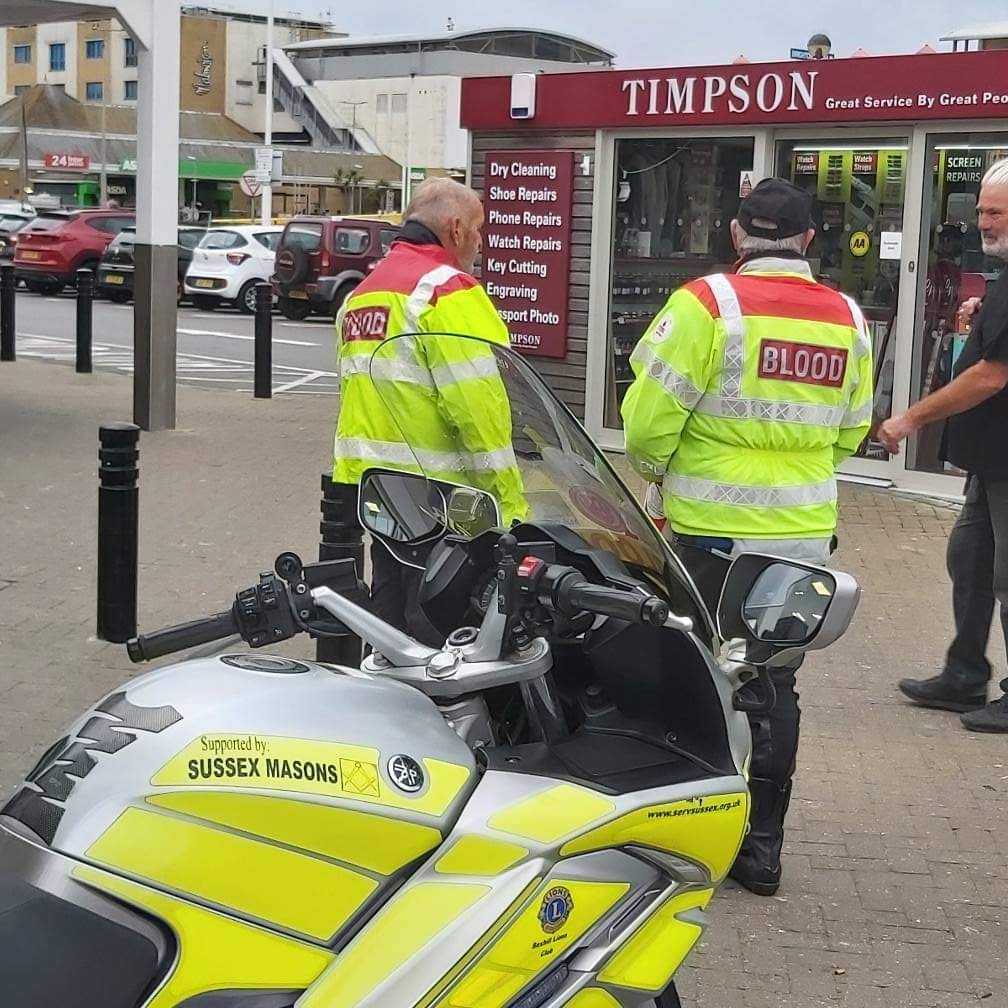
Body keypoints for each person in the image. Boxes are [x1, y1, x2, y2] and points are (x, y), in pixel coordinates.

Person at [621, 177, 874, 896]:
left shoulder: (707, 304)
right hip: (800, 537)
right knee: (773, 686)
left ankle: (684, 835)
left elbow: (646, 425)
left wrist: (658, 472)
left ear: (737, 234)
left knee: (690, 676)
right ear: (809, 242)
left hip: (706, 536)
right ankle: (761, 851)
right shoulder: (848, 318)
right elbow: (852, 429)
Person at [331, 177, 524, 642]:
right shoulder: (448, 292)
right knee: (438, 634)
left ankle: (381, 708)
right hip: (443, 501)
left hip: (377, 494)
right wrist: (510, 506)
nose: (480, 242)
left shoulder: (364, 294)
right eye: (478, 230)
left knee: (387, 624)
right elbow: (480, 411)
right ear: (455, 229)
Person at [880, 159, 1008, 733]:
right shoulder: (1000, 281)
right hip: (991, 460)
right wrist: (979, 322)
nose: (982, 221)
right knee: (970, 558)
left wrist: (910, 419)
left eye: (995, 211)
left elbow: (990, 376)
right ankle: (964, 675)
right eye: (981, 209)